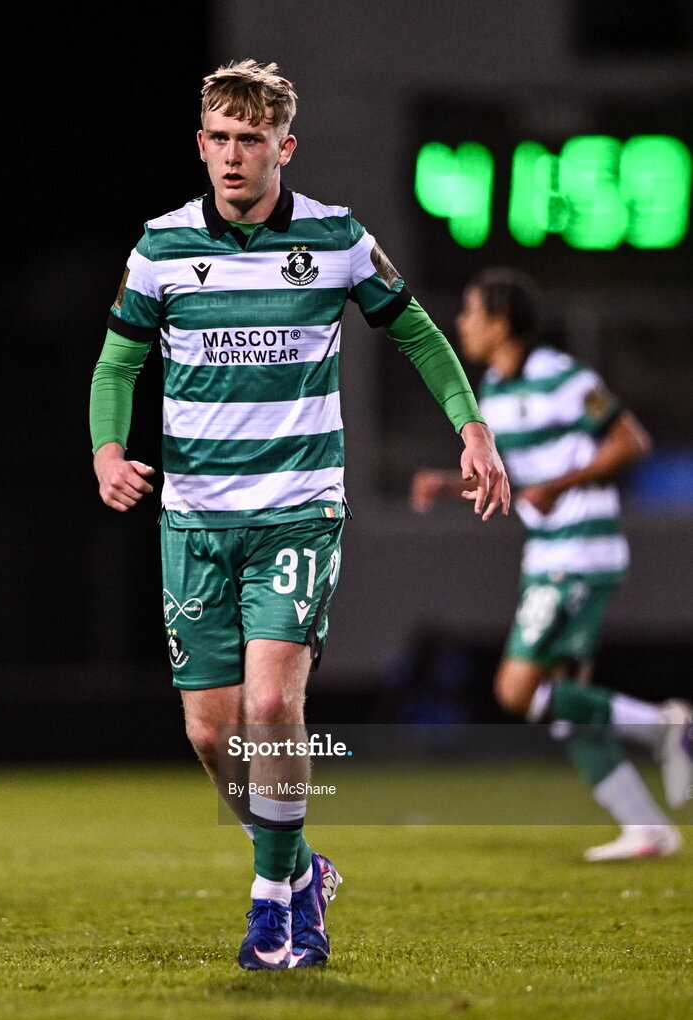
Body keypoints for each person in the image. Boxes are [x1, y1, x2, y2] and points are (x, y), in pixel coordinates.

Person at [89, 60, 509, 971]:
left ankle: (276, 912)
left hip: (296, 509)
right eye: (219, 138)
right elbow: (118, 364)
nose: (233, 156)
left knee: (274, 704)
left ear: (285, 145)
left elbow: (417, 334)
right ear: (200, 144)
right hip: (194, 520)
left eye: (251, 139)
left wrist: (470, 428)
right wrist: (108, 451)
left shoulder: (336, 238)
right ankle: (294, 865)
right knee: (211, 733)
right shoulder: (161, 246)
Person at [412, 267, 692, 861]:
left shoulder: (562, 376)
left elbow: (630, 442)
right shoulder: (493, 389)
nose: (461, 321)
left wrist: (560, 485)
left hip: (579, 551)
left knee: (517, 690)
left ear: (501, 320)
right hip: (551, 551)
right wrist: (446, 483)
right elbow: (521, 479)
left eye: (470, 309)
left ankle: (666, 727)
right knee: (562, 704)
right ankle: (648, 828)